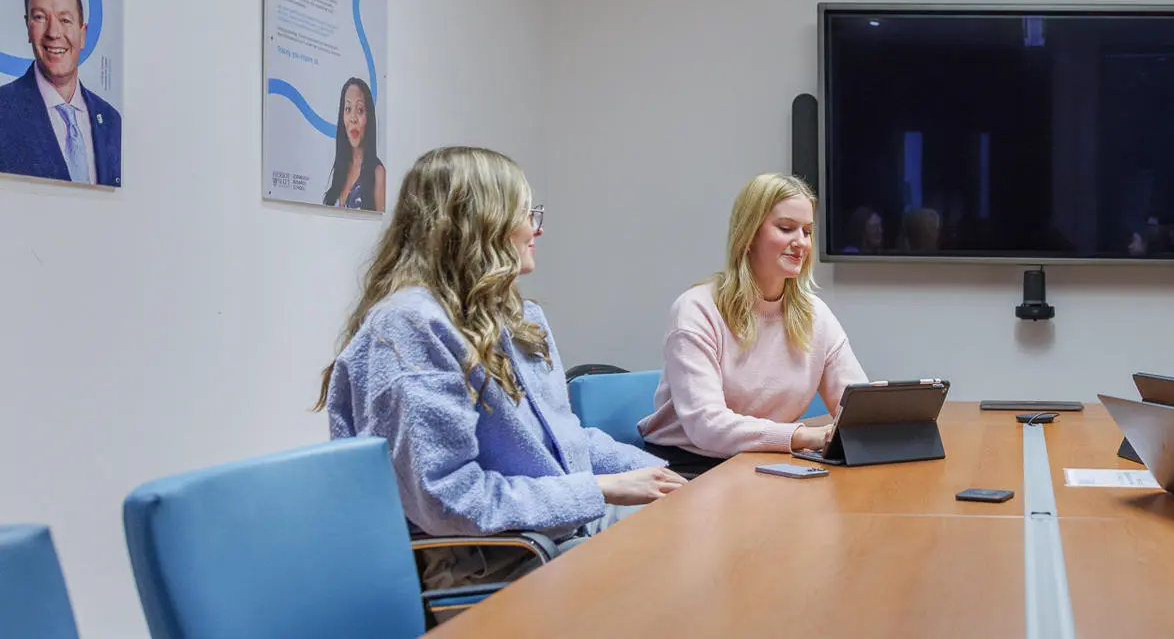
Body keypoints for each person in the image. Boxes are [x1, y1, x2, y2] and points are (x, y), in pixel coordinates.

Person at [319, 146, 684, 589]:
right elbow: (449, 500)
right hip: (491, 560)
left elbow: (565, 442)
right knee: (684, 579)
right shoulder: (410, 327)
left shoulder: (517, 316)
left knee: (700, 531)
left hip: (554, 532)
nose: (536, 229)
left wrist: (669, 477)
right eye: (526, 213)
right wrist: (599, 490)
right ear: (480, 224)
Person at [637, 173, 867, 477]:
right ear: (748, 234)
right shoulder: (697, 309)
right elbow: (707, 427)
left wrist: (881, 414)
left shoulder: (815, 314)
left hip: (765, 460)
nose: (800, 243)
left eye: (807, 231)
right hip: (688, 466)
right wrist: (801, 436)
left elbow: (856, 407)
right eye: (786, 229)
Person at [0, 0, 121, 187]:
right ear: (28, 27)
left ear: (82, 35)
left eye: (65, 20)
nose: (53, 32)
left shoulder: (112, 122)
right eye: (40, 17)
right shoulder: (3, 111)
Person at [319, 77, 386, 211]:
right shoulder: (339, 171)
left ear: (369, 117)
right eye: (348, 109)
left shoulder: (377, 173)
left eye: (360, 110)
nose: (353, 118)